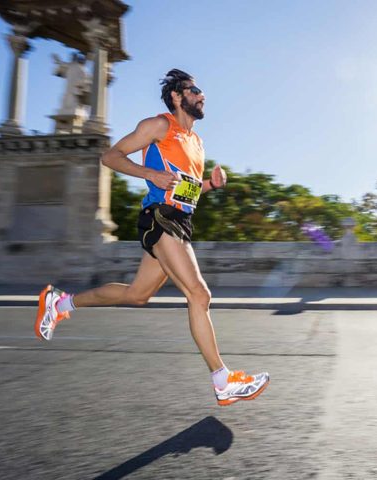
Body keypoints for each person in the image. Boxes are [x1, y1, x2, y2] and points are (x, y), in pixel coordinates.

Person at [34, 68, 270, 406]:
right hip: (160, 219)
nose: (202, 96)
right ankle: (223, 380)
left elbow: (184, 190)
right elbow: (110, 156)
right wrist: (149, 174)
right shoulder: (159, 125)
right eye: (195, 90)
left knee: (137, 294)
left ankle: (60, 303)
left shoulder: (197, 142)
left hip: (179, 221)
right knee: (199, 295)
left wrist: (210, 186)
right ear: (176, 96)